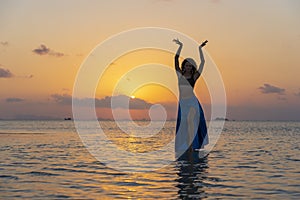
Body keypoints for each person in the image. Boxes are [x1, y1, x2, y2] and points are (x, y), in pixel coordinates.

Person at [173, 38, 208, 157]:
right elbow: (175, 59)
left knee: (190, 122)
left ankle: (192, 147)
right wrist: (180, 46)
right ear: (184, 66)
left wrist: (200, 49)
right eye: (187, 65)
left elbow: (203, 62)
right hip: (183, 103)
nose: (188, 67)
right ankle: (187, 146)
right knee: (185, 125)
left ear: (192, 67)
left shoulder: (194, 77)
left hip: (192, 102)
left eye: (190, 66)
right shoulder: (179, 75)